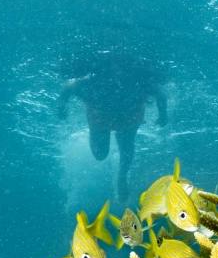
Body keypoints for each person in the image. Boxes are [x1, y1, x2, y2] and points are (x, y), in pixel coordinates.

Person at [57, 50, 166, 202]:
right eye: (114, 68)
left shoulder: (137, 80)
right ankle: (119, 174)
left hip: (129, 115)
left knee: (126, 147)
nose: (117, 73)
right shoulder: (93, 80)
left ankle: (122, 179)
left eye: (120, 69)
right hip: (101, 114)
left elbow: (160, 93)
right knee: (100, 154)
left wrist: (163, 114)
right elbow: (68, 87)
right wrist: (62, 108)